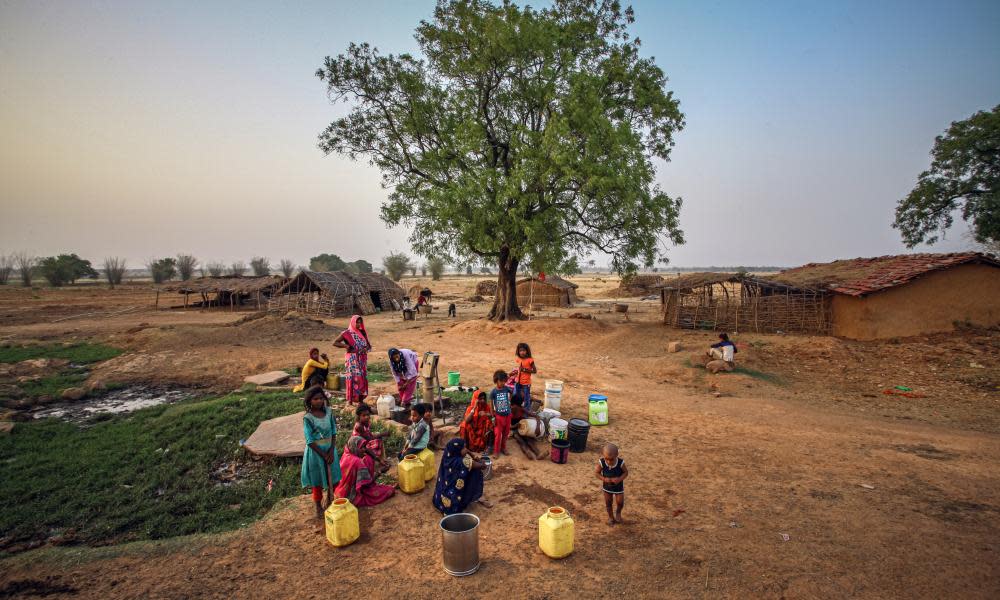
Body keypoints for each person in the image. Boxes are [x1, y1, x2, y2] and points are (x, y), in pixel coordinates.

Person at [300, 386, 340, 522]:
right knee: (316, 482)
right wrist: (323, 454)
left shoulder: (329, 412)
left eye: (321, 398)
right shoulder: (308, 418)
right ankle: (318, 506)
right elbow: (309, 440)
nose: (319, 401)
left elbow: (334, 431)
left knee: (334, 479)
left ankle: (330, 499)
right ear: (310, 401)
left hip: (330, 449)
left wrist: (331, 450)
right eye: (315, 399)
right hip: (316, 454)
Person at [432, 438, 493, 514]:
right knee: (476, 472)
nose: (466, 449)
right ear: (457, 449)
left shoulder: (448, 455)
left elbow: (465, 453)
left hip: (443, 493)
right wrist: (474, 456)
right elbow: (483, 466)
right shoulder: (463, 461)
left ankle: (472, 496)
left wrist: (466, 451)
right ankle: (473, 497)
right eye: (463, 447)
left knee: (469, 470)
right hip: (454, 494)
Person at [335, 436, 396, 507]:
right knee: (390, 490)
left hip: (339, 493)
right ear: (355, 448)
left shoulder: (346, 454)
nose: (364, 450)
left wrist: (378, 460)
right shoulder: (357, 462)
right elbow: (368, 483)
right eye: (362, 447)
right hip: (351, 497)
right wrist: (380, 471)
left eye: (364, 447)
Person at [333, 315, 371, 405]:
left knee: (362, 378)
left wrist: (366, 349)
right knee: (353, 378)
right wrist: (346, 346)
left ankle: (360, 400)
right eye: (357, 322)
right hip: (352, 360)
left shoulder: (362, 332)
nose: (358, 324)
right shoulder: (346, 333)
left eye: (360, 322)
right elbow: (335, 342)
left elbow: (368, 345)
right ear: (352, 322)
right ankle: (350, 400)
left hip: (361, 359)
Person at [595, 443, 628, 526]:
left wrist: (619, 479)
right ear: (603, 455)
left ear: (617, 455)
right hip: (607, 487)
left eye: (611, 459)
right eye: (607, 459)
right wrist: (604, 479)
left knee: (620, 502)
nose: (609, 461)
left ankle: (618, 512)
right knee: (608, 503)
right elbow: (596, 473)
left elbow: (626, 472)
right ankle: (610, 517)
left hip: (619, 487)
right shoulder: (602, 462)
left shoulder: (620, 463)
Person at [352, 404, 389, 471]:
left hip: (364, 442)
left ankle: (381, 460)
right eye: (364, 415)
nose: (367, 417)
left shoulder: (366, 422)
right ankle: (378, 463)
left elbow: (368, 435)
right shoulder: (359, 426)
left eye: (368, 415)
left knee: (378, 437)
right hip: (359, 447)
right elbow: (369, 439)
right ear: (359, 416)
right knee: (378, 440)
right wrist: (383, 434)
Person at [489, 369, 513, 458]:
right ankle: (496, 451)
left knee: (506, 433)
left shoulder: (507, 389)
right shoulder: (493, 392)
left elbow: (512, 393)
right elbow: (491, 406)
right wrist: (493, 417)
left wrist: (509, 402)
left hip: (508, 415)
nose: (503, 383)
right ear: (496, 381)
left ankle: (503, 448)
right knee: (498, 435)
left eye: (504, 381)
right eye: (501, 381)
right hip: (498, 417)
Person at [513, 342, 537, 410]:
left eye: (524, 350)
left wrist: (525, 370)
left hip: (526, 383)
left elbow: (534, 371)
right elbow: (518, 369)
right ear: (518, 351)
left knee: (526, 397)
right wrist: (514, 373)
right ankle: (515, 408)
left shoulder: (530, 360)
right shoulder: (518, 359)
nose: (522, 352)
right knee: (515, 395)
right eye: (520, 351)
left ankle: (526, 411)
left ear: (527, 351)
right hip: (518, 381)